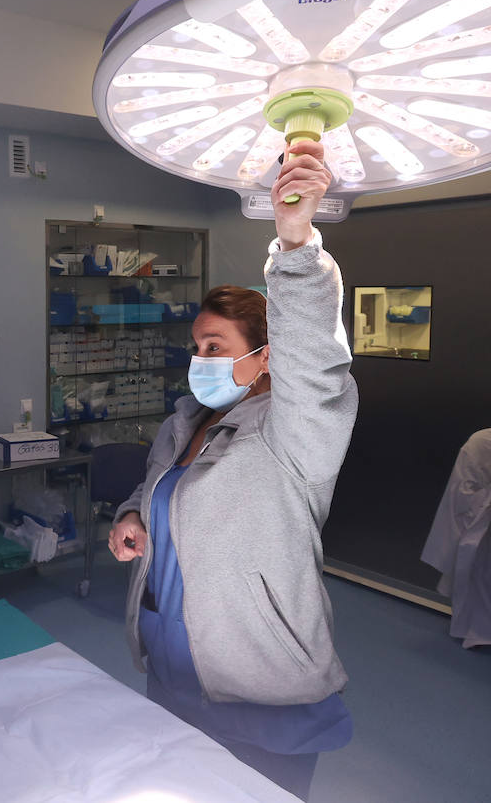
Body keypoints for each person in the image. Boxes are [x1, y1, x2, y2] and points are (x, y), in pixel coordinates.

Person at [108, 139, 358, 801]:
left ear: (268, 358)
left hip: (261, 686)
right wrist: (133, 516)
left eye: (215, 347)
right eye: (197, 347)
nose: (201, 360)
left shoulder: (292, 433)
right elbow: (158, 491)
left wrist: (295, 241)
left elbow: (317, 362)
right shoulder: (185, 421)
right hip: (171, 670)